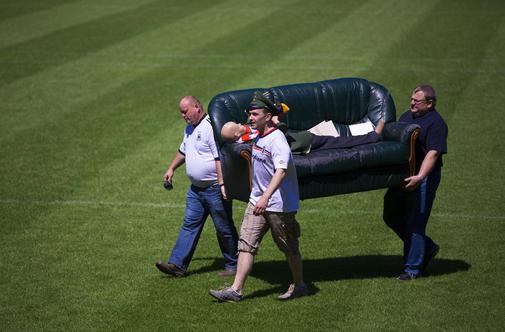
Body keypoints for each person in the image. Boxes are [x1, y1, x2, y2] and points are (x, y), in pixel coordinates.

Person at [209, 91, 307, 302]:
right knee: (246, 244)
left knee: (289, 247)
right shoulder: (258, 135)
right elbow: (227, 133)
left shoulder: (277, 140)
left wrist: (265, 197)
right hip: (257, 201)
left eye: (254, 114)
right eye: (250, 114)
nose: (250, 118)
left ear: (266, 116)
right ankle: (236, 290)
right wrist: (258, 197)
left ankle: (299, 285)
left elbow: (281, 171)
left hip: (279, 205)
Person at [155, 96, 239, 277]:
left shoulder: (210, 127)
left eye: (185, 112)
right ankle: (177, 265)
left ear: (196, 107)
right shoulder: (189, 128)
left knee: (224, 228)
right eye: (181, 113)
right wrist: (171, 168)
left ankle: (234, 265)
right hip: (196, 190)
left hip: (215, 188)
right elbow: (183, 151)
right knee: (189, 225)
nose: (183, 116)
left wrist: (223, 183)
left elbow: (219, 158)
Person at [383, 85, 448, 280]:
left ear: (429, 104)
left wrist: (420, 177)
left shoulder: (437, 124)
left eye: (416, 101)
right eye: (411, 99)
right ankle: (426, 247)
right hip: (403, 175)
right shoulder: (406, 117)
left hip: (423, 178)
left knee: (415, 221)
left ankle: (412, 269)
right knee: (391, 215)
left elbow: (433, 153)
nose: (411, 103)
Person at [221, 115, 384, 154]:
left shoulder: (250, 126)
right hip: (303, 142)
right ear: (236, 134)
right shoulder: (249, 142)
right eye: (236, 126)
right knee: (340, 142)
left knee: (338, 140)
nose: (240, 123)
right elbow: (277, 134)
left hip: (299, 138)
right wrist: (277, 122)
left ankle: (371, 136)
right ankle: (373, 136)